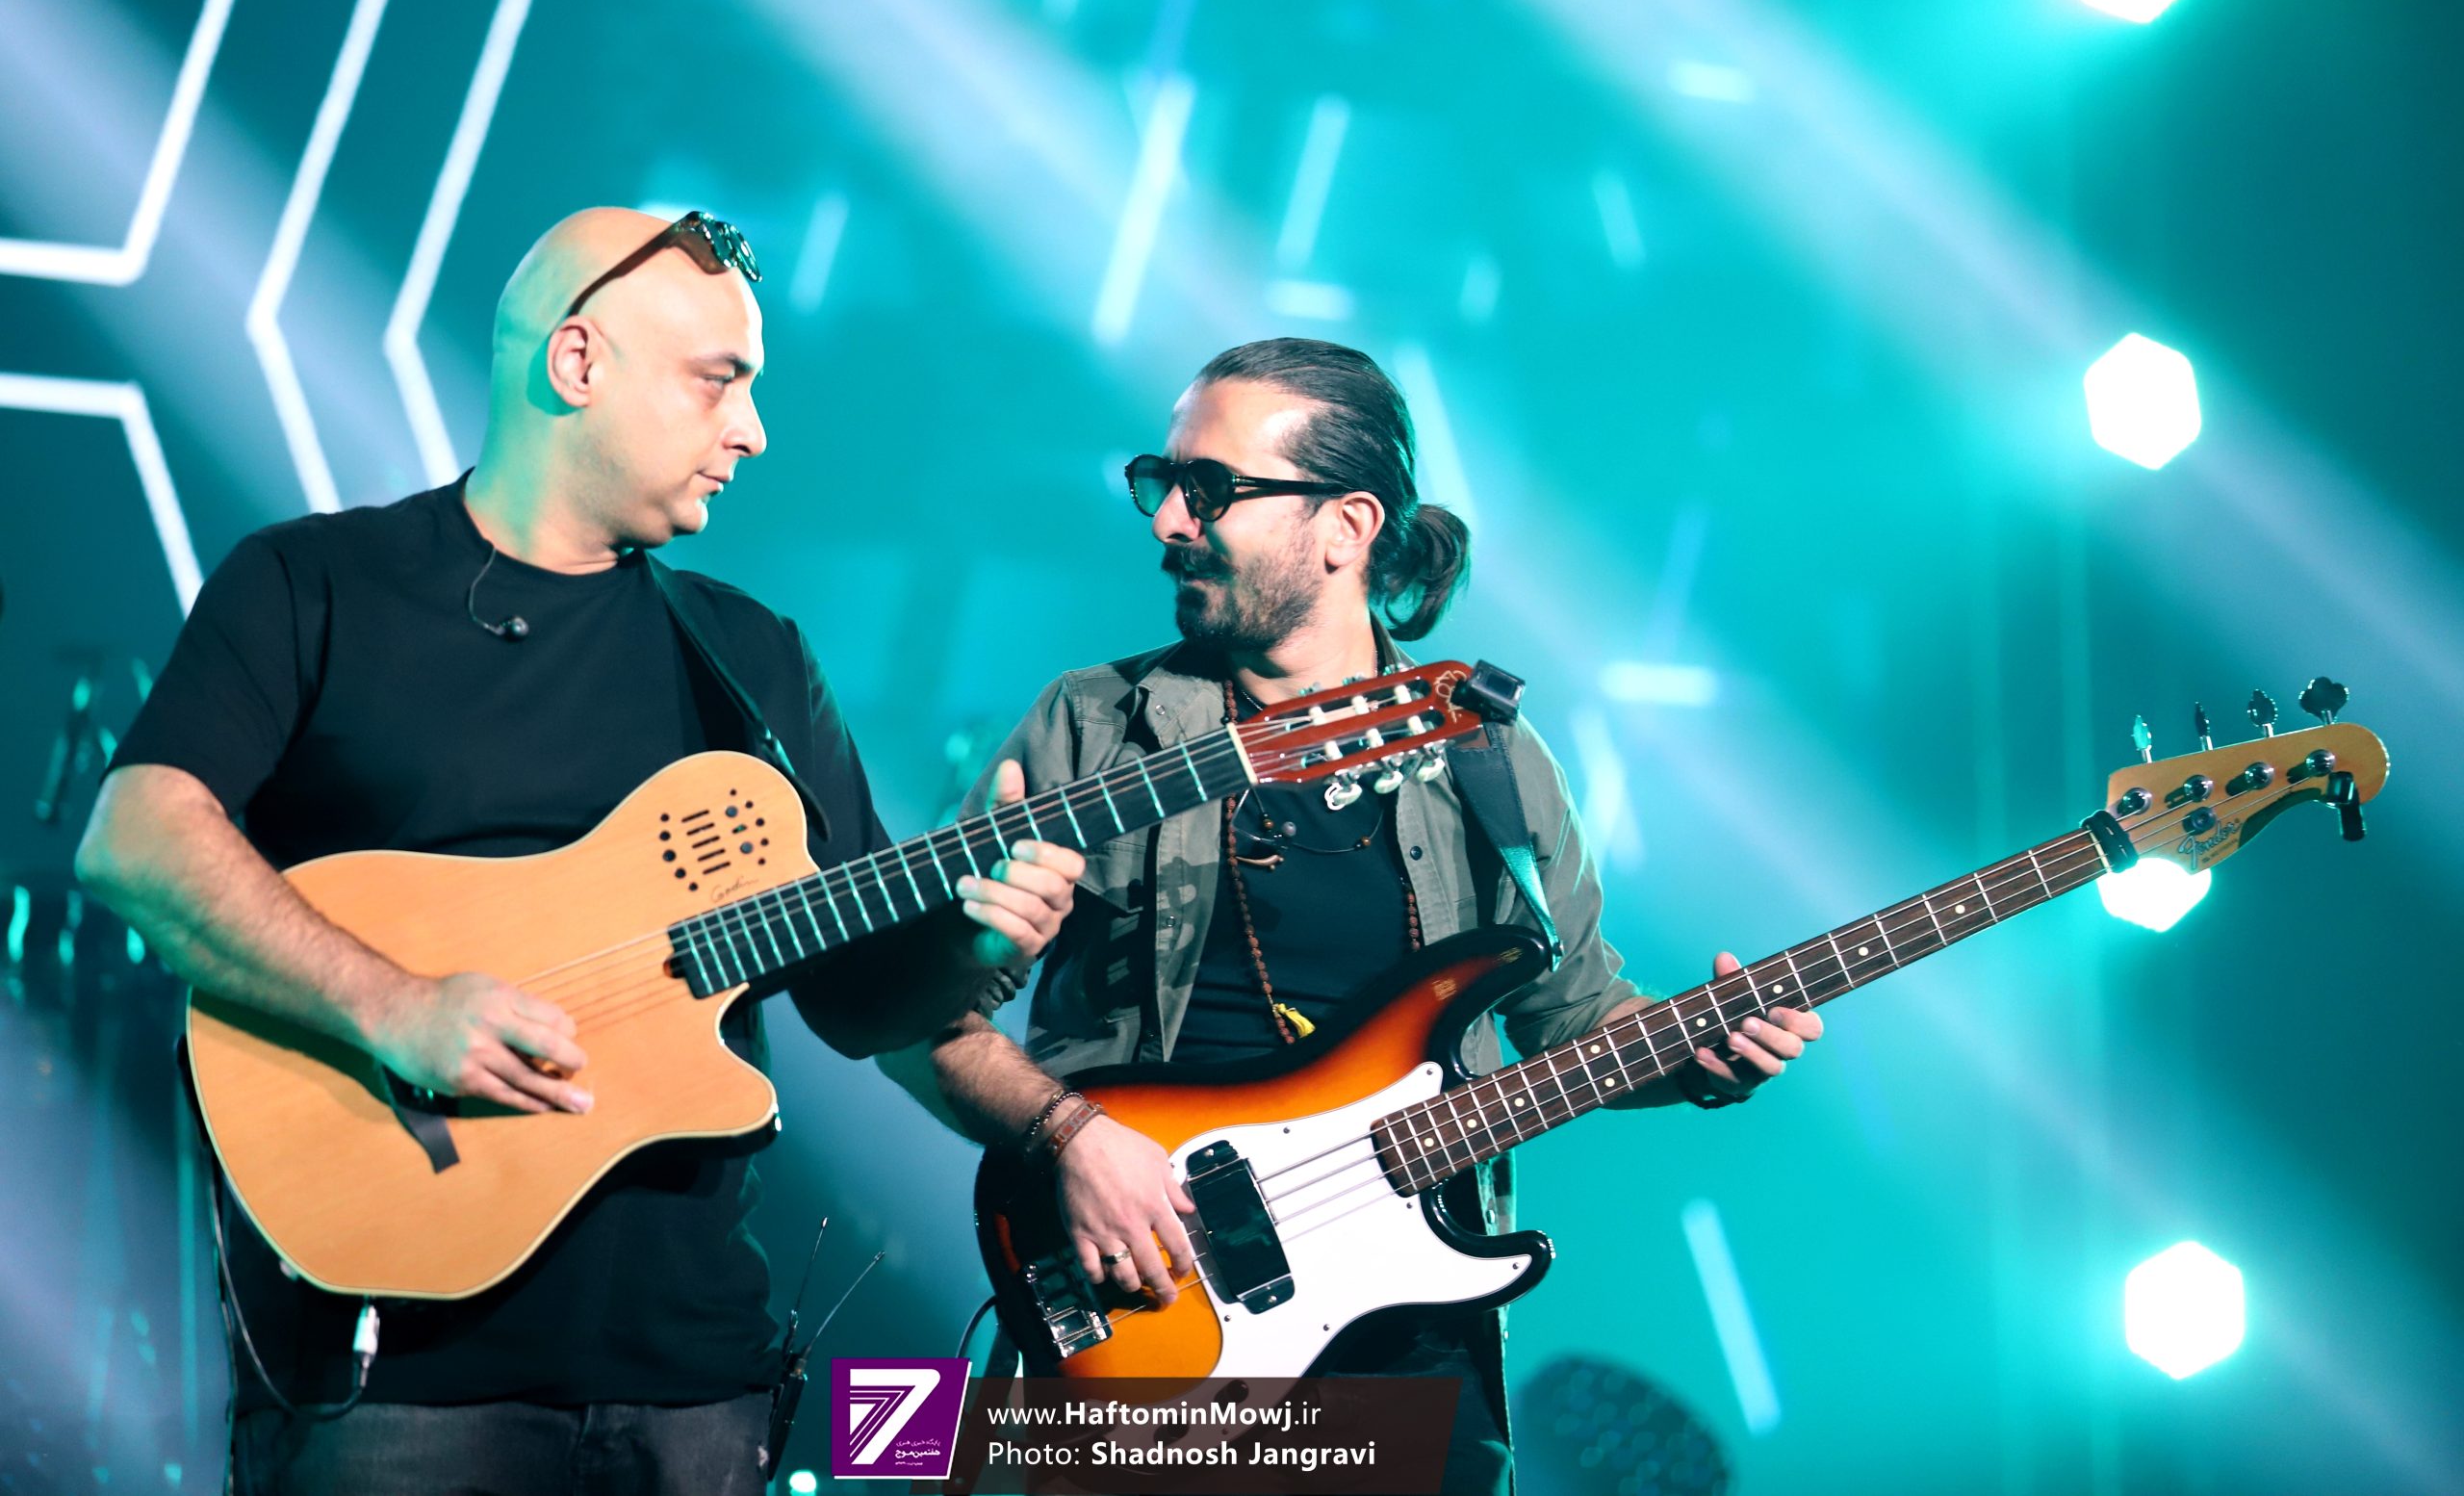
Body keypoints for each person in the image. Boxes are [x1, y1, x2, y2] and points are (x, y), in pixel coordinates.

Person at [74, 209, 1088, 1495]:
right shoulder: (314, 583)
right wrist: (396, 1006)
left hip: (695, 1382)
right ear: (577, 362)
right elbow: (136, 837)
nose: (753, 430)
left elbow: (852, 1001)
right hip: (396, 1381)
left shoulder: (751, 655)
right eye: (719, 380)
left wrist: (970, 938)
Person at [886, 337, 1823, 1495]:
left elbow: (1576, 1016)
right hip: (1147, 1334)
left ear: (1347, 525)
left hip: (1409, 1370)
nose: (1167, 519)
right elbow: (907, 1017)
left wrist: (1700, 1054)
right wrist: (1067, 1135)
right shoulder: (1091, 725)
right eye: (1161, 481)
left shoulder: (1490, 756)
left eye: (1209, 488)